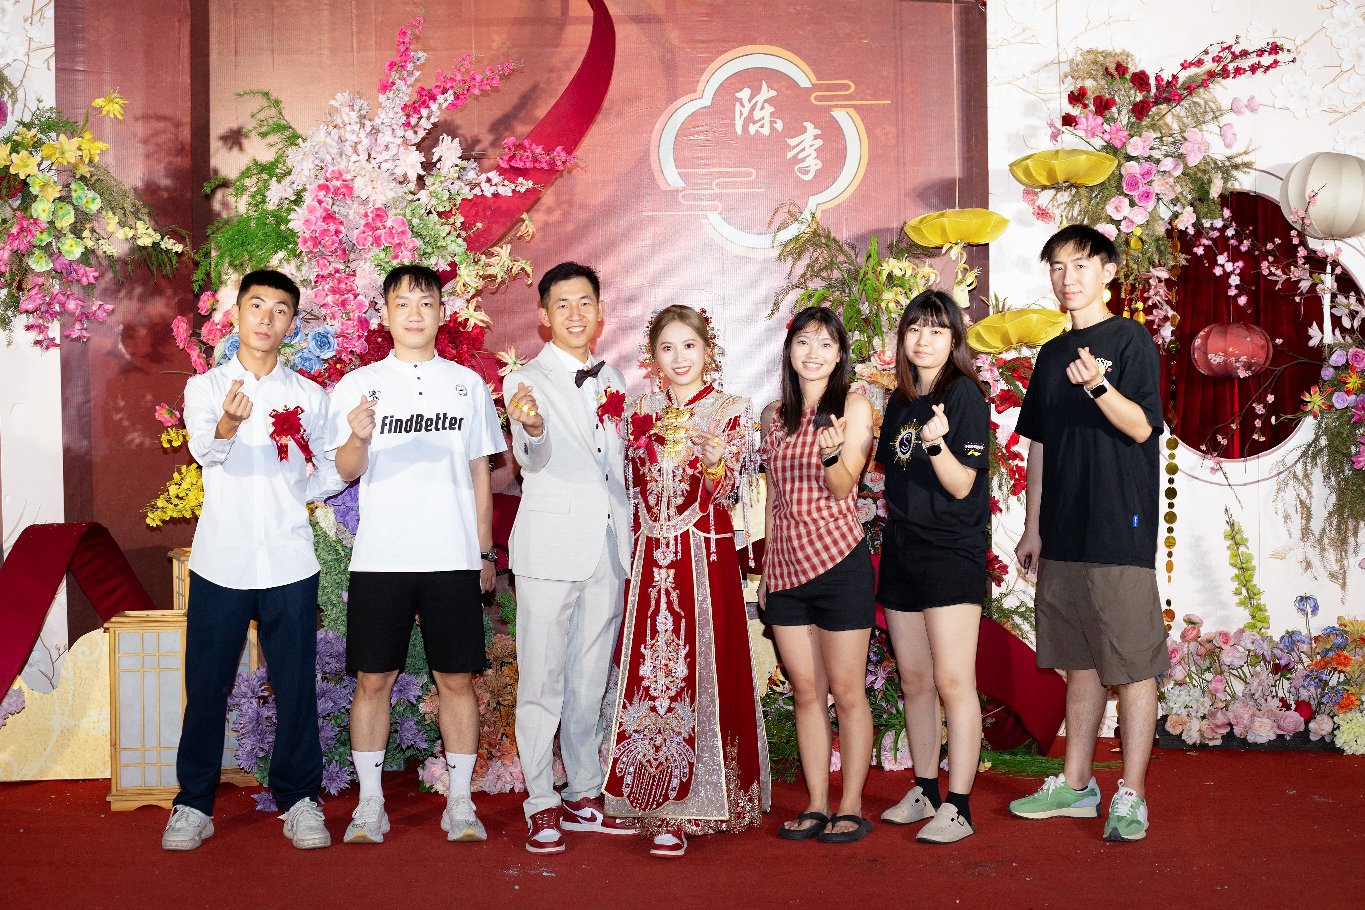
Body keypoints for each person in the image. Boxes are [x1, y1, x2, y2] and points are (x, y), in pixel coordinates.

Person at [162, 269, 341, 851]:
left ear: (293, 324)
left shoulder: (310, 396)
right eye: (256, 305)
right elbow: (204, 451)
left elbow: (329, 472)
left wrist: (316, 481)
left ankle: (300, 800)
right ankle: (193, 803)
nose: (267, 318)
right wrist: (229, 423)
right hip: (223, 560)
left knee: (295, 687)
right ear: (236, 314)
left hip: (290, 559)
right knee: (206, 686)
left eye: (280, 309)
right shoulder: (206, 388)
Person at [327, 264, 505, 845]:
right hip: (381, 559)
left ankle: (460, 802)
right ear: (384, 314)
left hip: (452, 557)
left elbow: (480, 474)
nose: (414, 313)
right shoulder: (358, 386)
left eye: (425, 303)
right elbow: (343, 471)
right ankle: (369, 804)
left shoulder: (467, 385)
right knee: (372, 679)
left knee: (457, 679)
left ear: (441, 314)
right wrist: (358, 437)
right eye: (402, 303)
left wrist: (484, 552)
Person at [1009, 224, 1167, 843]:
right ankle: (1076, 785)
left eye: (1080, 265)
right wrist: (1032, 527)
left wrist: (1098, 384)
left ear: (1107, 272)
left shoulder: (1130, 340)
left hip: (1118, 527)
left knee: (1132, 666)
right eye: (1057, 267)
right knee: (1079, 664)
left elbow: (1142, 426)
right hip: (1063, 532)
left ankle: (1132, 793)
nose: (1067, 277)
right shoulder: (1051, 355)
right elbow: (1040, 447)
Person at [602, 304, 770, 858]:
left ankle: (696, 801)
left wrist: (716, 462)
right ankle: (642, 792)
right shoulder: (638, 410)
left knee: (703, 667)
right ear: (652, 356)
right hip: (652, 560)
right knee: (652, 672)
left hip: (704, 557)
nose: (679, 358)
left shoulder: (730, 410)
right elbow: (629, 489)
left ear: (708, 350)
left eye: (689, 346)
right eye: (667, 348)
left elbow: (728, 496)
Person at [503, 262, 635, 854]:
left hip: (608, 547)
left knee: (589, 678)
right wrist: (531, 427)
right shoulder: (525, 380)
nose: (575, 314)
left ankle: (583, 789)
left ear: (600, 312)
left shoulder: (614, 379)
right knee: (542, 679)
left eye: (585, 303)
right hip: (550, 548)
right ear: (543, 316)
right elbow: (532, 456)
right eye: (563, 304)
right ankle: (540, 799)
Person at [758, 306, 877, 844]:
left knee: (847, 692)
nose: (813, 353)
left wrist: (831, 457)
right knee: (806, 692)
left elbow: (844, 485)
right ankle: (816, 803)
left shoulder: (853, 406)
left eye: (825, 343)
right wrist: (766, 567)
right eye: (803, 341)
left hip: (838, 561)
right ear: (789, 350)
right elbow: (774, 499)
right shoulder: (773, 415)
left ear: (839, 354)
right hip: (786, 568)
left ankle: (850, 804)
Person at [875, 290, 990, 844]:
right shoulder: (899, 400)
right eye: (915, 329)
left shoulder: (964, 394)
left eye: (937, 330)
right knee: (916, 679)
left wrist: (938, 444)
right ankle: (924, 789)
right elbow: (889, 474)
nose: (924, 340)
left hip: (950, 551)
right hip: (902, 550)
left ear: (954, 339)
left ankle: (960, 806)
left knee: (953, 680)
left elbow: (963, 485)